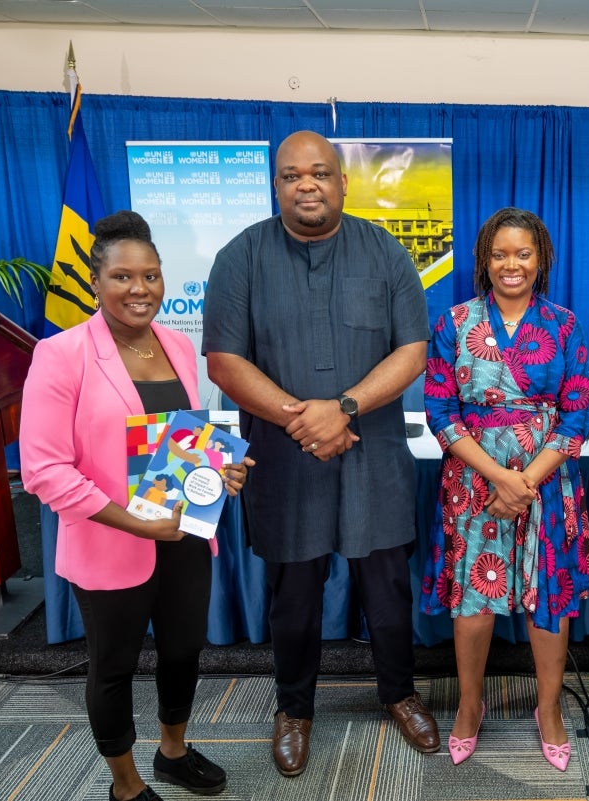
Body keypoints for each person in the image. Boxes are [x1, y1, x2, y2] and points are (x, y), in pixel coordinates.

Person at [202, 130, 440, 777]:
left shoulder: (387, 254)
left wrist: (346, 408)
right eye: (291, 175)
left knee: (388, 593)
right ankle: (294, 708)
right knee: (294, 596)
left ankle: (399, 692)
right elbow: (224, 360)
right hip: (284, 460)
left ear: (342, 181)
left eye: (319, 173)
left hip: (373, 454)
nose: (306, 184)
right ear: (276, 185)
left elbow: (412, 352)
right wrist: (301, 418)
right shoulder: (240, 257)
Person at [20, 210, 252, 801]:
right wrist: (137, 522)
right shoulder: (60, 354)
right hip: (108, 543)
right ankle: (124, 785)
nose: (139, 290)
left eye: (151, 276)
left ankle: (172, 751)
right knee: (114, 665)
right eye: (123, 277)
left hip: (185, 537)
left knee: (182, 650)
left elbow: (177, 444)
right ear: (96, 282)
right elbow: (43, 471)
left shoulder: (177, 345)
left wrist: (215, 471)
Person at [420, 208, 589, 771]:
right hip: (473, 481)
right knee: (473, 599)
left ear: (540, 258)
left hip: (547, 483)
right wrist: (499, 478)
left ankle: (549, 710)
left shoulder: (564, 324)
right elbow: (439, 409)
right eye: (500, 254)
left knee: (547, 597)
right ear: (484, 260)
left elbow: (577, 417)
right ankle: (469, 706)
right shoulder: (453, 322)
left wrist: (525, 482)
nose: (511, 264)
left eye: (523, 253)